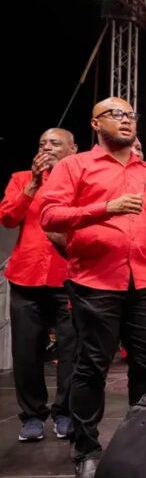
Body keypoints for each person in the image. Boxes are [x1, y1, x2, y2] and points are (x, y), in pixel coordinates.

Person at [39, 97, 146, 478]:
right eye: (116, 115)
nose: (126, 121)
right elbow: (49, 215)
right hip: (95, 280)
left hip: (145, 281)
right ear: (95, 123)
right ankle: (87, 449)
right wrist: (106, 208)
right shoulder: (75, 166)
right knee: (92, 365)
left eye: (131, 115)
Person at [1, 128, 78, 442]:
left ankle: (65, 412)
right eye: (42, 143)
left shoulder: (81, 180)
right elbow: (7, 218)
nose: (47, 147)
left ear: (73, 150)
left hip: (68, 275)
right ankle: (32, 415)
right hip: (26, 275)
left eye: (55, 143)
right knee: (26, 350)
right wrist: (33, 184)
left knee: (71, 350)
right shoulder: (21, 179)